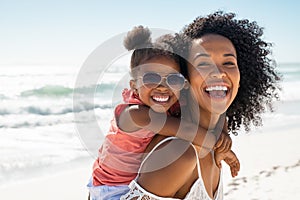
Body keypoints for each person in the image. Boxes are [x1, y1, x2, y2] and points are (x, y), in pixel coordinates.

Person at [121, 11, 280, 200]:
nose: (219, 72)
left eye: (228, 62)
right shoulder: (179, 153)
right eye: (203, 64)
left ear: (240, 78)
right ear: (184, 81)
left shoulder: (216, 142)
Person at [87, 25, 237, 200]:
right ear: (134, 85)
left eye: (173, 79)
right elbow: (186, 131)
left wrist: (224, 132)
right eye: (151, 78)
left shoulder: (169, 101)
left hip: (128, 180)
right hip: (110, 188)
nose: (163, 87)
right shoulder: (136, 115)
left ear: (183, 84)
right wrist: (222, 146)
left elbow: (215, 108)